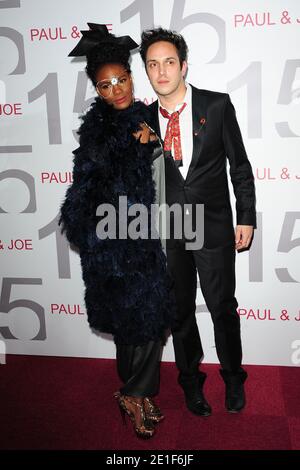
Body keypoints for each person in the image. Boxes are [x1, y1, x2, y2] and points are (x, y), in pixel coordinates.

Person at [58, 23, 174, 439]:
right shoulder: (99, 133)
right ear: (97, 90)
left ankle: (137, 393)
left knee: (147, 321)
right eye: (106, 86)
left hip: (143, 239)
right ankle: (132, 395)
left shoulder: (143, 116)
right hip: (114, 245)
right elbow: (82, 194)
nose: (116, 90)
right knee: (135, 322)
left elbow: (160, 163)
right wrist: (97, 239)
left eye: (121, 80)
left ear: (130, 77)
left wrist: (150, 143)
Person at [139, 27, 256, 416]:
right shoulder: (139, 120)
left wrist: (247, 218)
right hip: (168, 231)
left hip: (215, 226)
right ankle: (191, 383)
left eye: (168, 62)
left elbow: (240, 167)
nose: (161, 71)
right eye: (152, 64)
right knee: (180, 313)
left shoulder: (217, 105)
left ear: (183, 65)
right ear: (147, 70)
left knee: (223, 307)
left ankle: (234, 377)